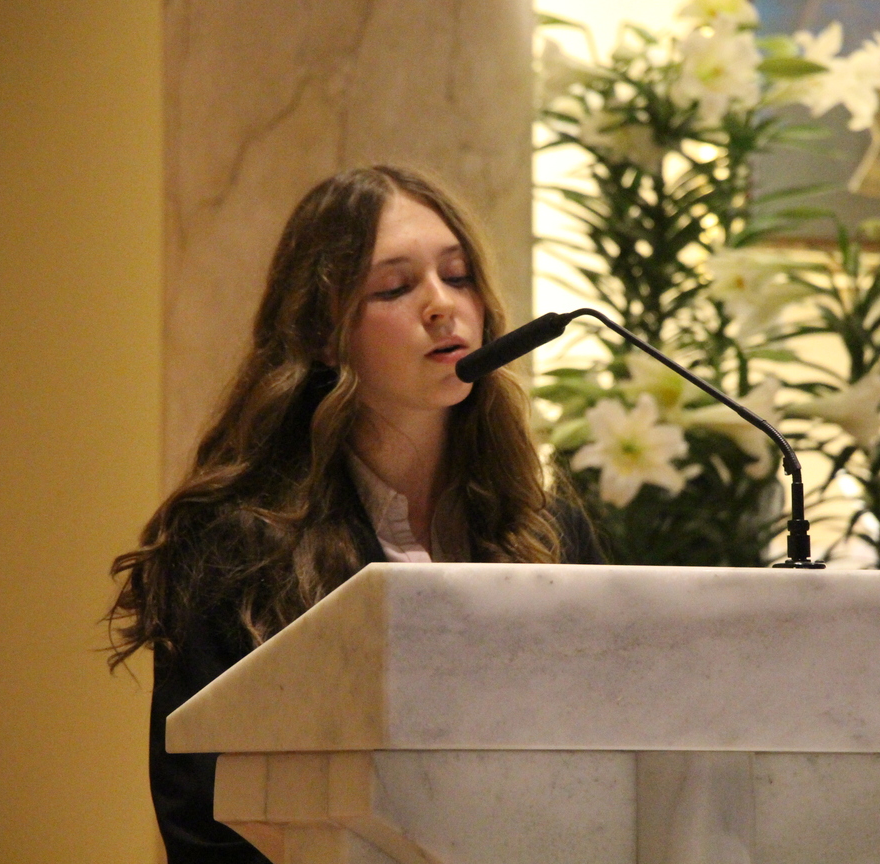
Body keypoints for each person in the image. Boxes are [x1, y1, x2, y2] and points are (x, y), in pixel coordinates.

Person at [106, 165, 602, 863]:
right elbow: (202, 819)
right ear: (323, 334)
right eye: (395, 288)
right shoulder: (232, 548)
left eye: (458, 276)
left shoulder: (548, 532)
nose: (442, 306)